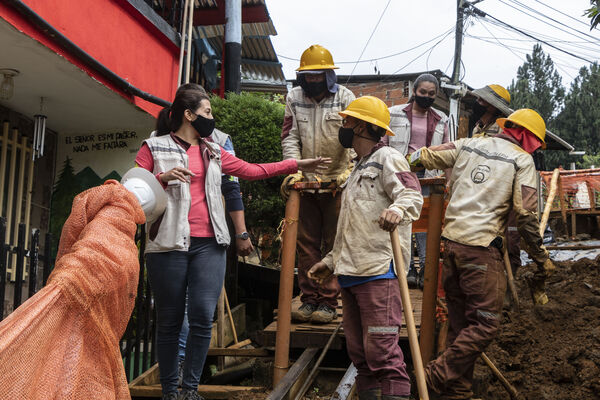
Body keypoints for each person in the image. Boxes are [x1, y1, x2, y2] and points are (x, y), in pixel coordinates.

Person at [135, 83, 329, 400]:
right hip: (168, 246)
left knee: (201, 316)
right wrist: (161, 178)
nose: (211, 118)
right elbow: (133, 187)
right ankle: (170, 391)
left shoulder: (213, 149)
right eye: (207, 112)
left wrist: (296, 165)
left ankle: (190, 389)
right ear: (188, 114)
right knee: (169, 321)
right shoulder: (153, 148)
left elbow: (252, 170)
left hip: (209, 245)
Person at [408, 108, 556, 399]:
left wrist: (400, 171)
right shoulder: (522, 161)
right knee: (486, 325)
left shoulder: (468, 144)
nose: (535, 150)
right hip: (481, 253)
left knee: (461, 326)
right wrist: (541, 256)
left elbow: (420, 157)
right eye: (536, 144)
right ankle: (430, 378)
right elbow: (526, 215)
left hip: (451, 249)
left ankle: (458, 393)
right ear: (527, 137)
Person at [0, 169, 164, 400]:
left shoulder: (100, 197)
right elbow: (125, 299)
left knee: (38, 331)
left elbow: (72, 229)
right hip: (110, 279)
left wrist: (60, 271)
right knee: (86, 346)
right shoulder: (128, 235)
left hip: (78, 272)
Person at [307, 96, 423, 400]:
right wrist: (331, 261)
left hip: (378, 272)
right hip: (351, 271)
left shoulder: (388, 158)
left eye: (347, 122)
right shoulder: (356, 169)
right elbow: (351, 228)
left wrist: (398, 210)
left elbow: (412, 194)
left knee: (383, 354)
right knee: (360, 355)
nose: (343, 127)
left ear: (360, 125)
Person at [281, 44, 356, 324]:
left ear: (328, 74)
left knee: (334, 242)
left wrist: (348, 171)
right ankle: (309, 298)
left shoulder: (345, 98)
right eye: (308, 76)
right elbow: (289, 137)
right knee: (307, 244)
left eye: (317, 75)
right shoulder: (294, 97)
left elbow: (353, 138)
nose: (312, 80)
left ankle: (327, 301)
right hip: (306, 183)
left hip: (337, 181)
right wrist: (294, 169)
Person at [387, 73, 449, 289]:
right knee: (404, 220)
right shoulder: (393, 114)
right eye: (423, 92)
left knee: (425, 225)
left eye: (431, 94)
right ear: (414, 91)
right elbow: (383, 144)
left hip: (428, 178)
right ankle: (406, 269)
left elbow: (448, 151)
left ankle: (424, 269)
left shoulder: (442, 118)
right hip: (401, 175)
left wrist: (448, 182)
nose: (427, 96)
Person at [469, 84, 522, 278]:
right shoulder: (478, 127)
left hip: (504, 190)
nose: (477, 103)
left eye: (482, 100)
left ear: (492, 106)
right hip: (482, 190)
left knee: (509, 237)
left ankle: (511, 283)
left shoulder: (505, 127)